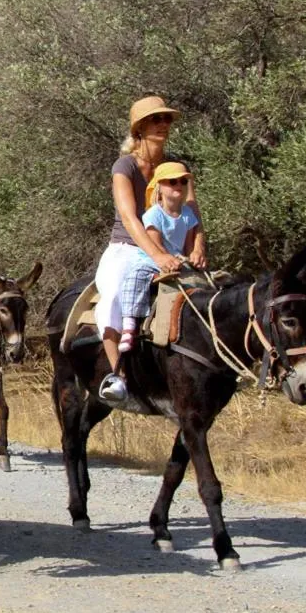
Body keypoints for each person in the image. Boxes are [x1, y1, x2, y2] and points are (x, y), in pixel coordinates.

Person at [94, 96, 208, 401]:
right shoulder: (125, 166)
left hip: (173, 251)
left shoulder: (176, 168)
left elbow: (193, 213)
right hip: (128, 248)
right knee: (112, 298)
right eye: (156, 119)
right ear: (139, 128)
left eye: (167, 119)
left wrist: (198, 247)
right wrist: (157, 256)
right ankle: (117, 375)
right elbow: (130, 218)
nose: (163, 124)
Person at [117, 162, 200, 354]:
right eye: (172, 181)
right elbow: (155, 244)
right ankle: (129, 324)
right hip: (152, 260)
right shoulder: (154, 214)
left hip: (177, 261)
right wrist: (166, 258)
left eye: (182, 181)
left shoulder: (188, 214)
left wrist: (193, 257)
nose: (178, 185)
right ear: (159, 187)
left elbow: (188, 244)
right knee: (135, 277)